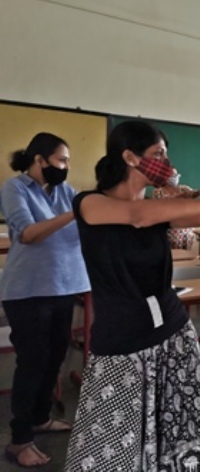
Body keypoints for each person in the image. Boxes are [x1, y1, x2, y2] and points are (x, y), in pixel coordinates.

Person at [64, 121, 200, 471]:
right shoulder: (90, 203)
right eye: (158, 153)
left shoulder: (157, 211)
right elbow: (136, 216)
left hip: (173, 335)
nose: (167, 161)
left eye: (166, 153)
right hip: (124, 344)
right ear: (129, 157)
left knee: (178, 433)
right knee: (111, 450)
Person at [0, 133, 90, 468]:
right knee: (33, 362)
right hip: (28, 291)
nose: (66, 167)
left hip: (64, 287)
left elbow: (89, 219)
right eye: (61, 160)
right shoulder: (15, 188)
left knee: (53, 359)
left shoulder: (65, 191)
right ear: (39, 159)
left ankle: (39, 418)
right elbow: (27, 233)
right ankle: (19, 439)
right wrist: (74, 213)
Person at [152, 168, 200, 250]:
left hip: (186, 228)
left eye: (176, 175)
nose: (175, 178)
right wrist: (179, 197)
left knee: (187, 254)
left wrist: (196, 193)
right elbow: (160, 207)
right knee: (173, 253)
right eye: (172, 175)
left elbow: (192, 199)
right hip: (171, 228)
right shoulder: (158, 191)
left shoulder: (184, 188)